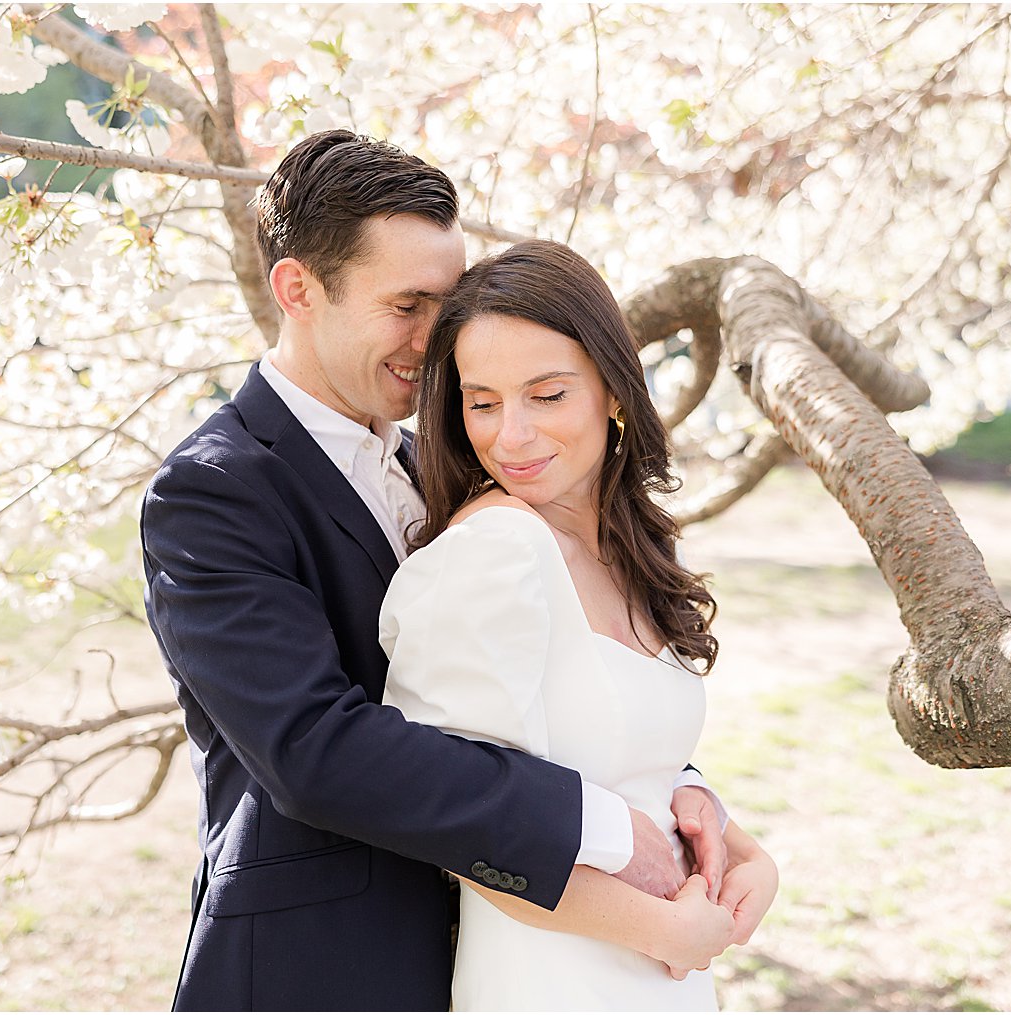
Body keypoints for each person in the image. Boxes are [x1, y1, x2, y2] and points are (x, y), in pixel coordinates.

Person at [141, 130, 747, 1012]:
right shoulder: (214, 490)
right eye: (409, 305)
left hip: (514, 951)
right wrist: (605, 826)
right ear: (298, 289)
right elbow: (313, 749)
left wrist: (678, 794)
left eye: (448, 299)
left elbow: (557, 683)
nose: (441, 339)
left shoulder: (463, 460)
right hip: (323, 970)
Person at [379, 239, 779, 1010]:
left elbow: (620, 761)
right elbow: (462, 828)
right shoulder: (495, 552)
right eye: (483, 402)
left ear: (614, 392)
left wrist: (741, 851)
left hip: (671, 973)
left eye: (548, 394)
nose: (513, 436)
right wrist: (661, 932)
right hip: (554, 975)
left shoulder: (633, 544)